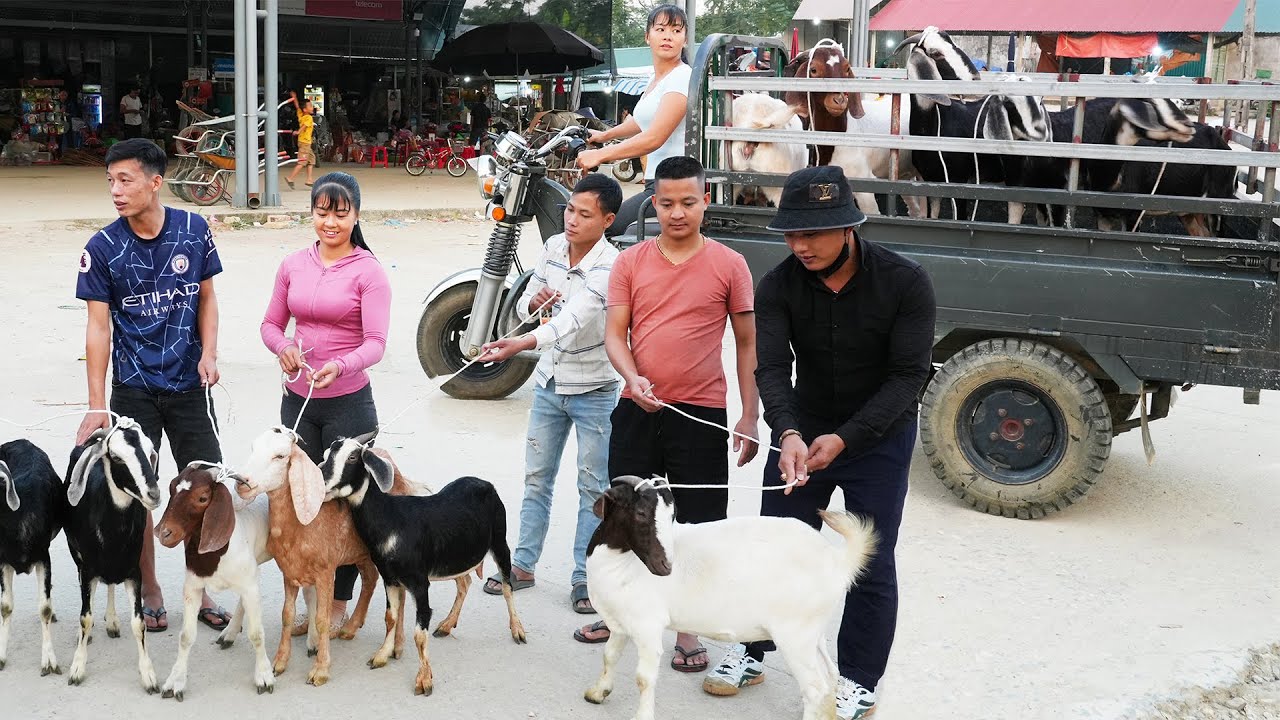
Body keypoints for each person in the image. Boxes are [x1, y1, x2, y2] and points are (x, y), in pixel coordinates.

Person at [702, 166, 937, 719]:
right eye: (791, 233)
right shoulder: (779, 284)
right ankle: (752, 649)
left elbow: (909, 377)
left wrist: (847, 437)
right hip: (801, 432)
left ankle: (858, 680)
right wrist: (786, 432)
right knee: (772, 549)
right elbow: (771, 367)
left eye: (812, 234)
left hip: (878, 439)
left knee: (869, 563)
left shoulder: (905, 282)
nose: (799, 245)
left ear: (849, 227)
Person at [573, 156, 760, 673]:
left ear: (705, 202)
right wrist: (631, 378)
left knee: (698, 523)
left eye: (689, 202)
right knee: (621, 518)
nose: (678, 213)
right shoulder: (630, 262)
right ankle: (618, 618)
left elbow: (746, 344)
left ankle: (687, 629)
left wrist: (749, 414)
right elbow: (615, 334)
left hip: (701, 412)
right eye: (668, 203)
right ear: (653, 203)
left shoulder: (730, 265)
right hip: (637, 407)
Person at [74, 138, 229, 633]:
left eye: (126, 180)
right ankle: (150, 586)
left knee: (203, 485)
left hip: (189, 385)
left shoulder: (193, 229)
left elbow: (207, 298)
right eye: (110, 181)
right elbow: (98, 328)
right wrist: (98, 406)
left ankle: (199, 586)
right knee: (140, 492)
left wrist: (209, 353)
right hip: (134, 389)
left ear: (155, 181)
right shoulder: (102, 249)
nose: (116, 191)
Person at [477, 173, 623, 614]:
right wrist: (532, 302)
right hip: (549, 382)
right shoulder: (553, 247)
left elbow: (574, 319)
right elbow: (524, 305)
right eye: (569, 210)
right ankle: (521, 565)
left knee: (593, 487)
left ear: (608, 220)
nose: (572, 220)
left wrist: (521, 343)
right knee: (536, 478)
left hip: (595, 386)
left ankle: (585, 577)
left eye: (584, 214)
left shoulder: (611, 265)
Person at [260, 171, 391, 636]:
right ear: (311, 213)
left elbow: (376, 343)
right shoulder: (293, 264)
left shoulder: (368, 271)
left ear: (356, 215)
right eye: (322, 211)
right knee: (299, 497)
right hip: (298, 405)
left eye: (340, 212)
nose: (330, 222)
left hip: (349, 406)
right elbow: (271, 325)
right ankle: (309, 587)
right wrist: (284, 349)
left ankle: (338, 600)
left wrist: (342, 365)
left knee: (346, 505)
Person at [576, 4, 691, 237]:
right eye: (661, 29)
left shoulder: (682, 77)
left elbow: (654, 136)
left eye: (676, 31)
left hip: (674, 187)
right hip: (657, 183)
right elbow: (640, 122)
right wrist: (604, 135)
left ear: (685, 40)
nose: (668, 36)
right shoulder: (656, 79)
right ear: (647, 36)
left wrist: (601, 154)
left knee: (603, 227)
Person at [286, 90, 316, 189]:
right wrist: (298, 131)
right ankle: (290, 178)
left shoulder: (301, 114)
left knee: (311, 160)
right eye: (310, 106)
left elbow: (297, 106)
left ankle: (309, 179)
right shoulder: (308, 118)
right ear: (305, 110)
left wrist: (294, 98)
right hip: (304, 143)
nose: (312, 107)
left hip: (306, 143)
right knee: (302, 162)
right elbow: (304, 126)